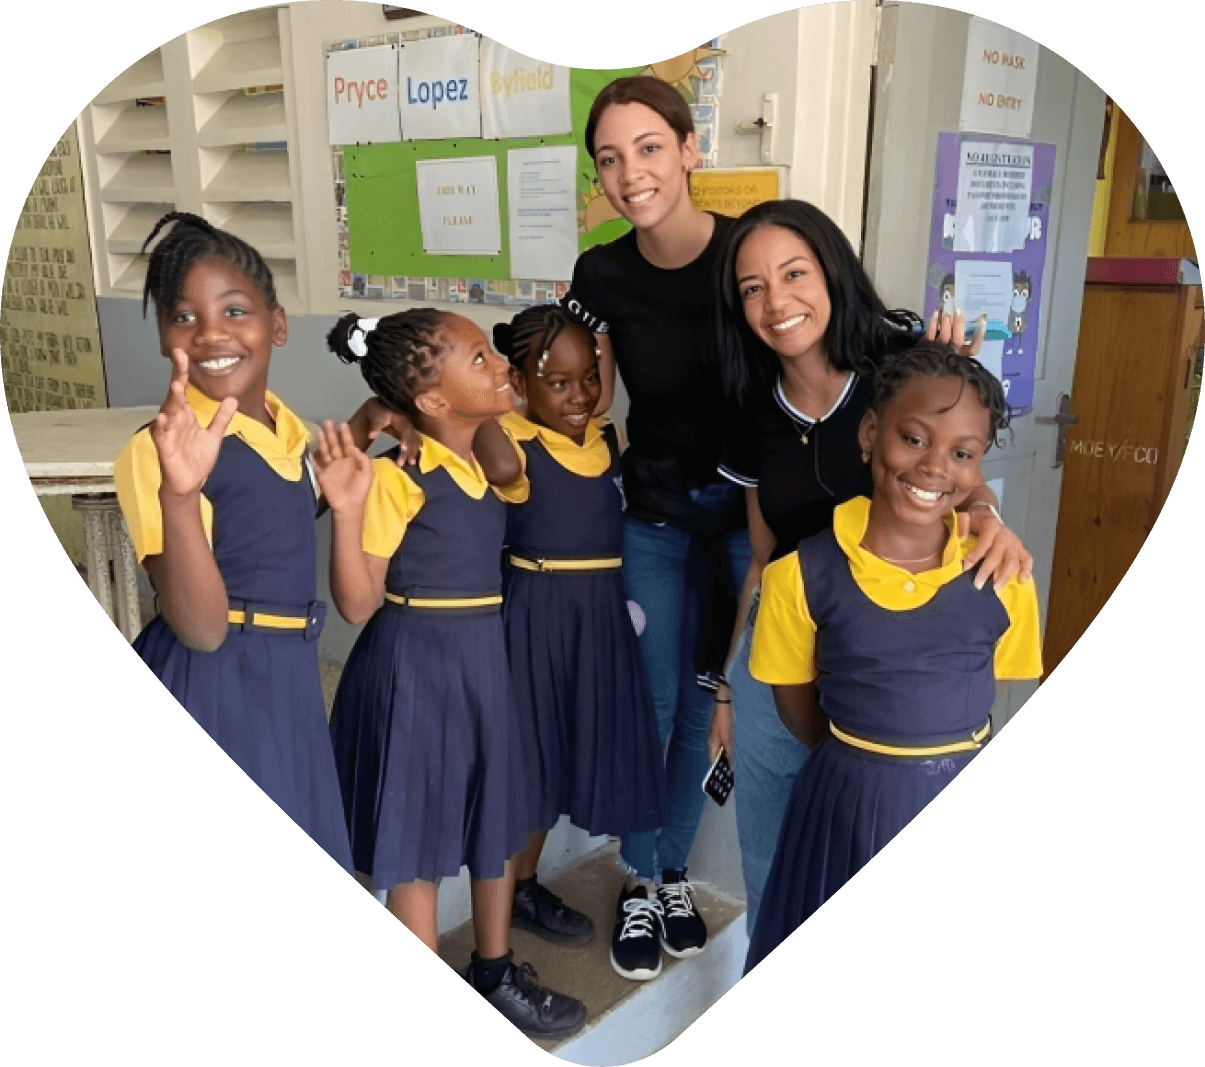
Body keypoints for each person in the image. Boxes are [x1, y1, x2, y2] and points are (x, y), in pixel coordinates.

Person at [707, 198, 1035, 936]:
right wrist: (726, 687)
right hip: (783, 657)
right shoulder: (748, 405)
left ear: (830, 272)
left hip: (890, 667)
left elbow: (952, 465)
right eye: (752, 287)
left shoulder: (892, 368)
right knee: (772, 867)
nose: (775, 301)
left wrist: (985, 514)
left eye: (793, 273)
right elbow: (761, 560)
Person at [314, 309, 587, 1041]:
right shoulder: (399, 477)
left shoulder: (474, 461)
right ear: (431, 401)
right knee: (421, 844)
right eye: (477, 357)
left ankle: (494, 970)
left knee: (491, 821)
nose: (498, 364)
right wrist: (346, 510)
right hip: (416, 667)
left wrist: (452, 395)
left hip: (479, 661)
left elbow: (500, 454)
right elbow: (357, 599)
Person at [741, 341, 1042, 971]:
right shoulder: (802, 574)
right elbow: (797, 707)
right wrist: (862, 759)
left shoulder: (1006, 574)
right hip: (844, 798)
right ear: (872, 433)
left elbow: (997, 686)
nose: (935, 467)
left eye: (962, 454)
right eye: (913, 438)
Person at [559, 73, 751, 979]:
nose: (629, 171)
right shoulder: (601, 270)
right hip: (656, 518)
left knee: (713, 703)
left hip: (748, 523)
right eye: (609, 157)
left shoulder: (751, 252)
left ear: (688, 149)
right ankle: (643, 878)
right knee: (655, 699)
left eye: (646, 147)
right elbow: (578, 389)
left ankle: (672, 866)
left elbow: (830, 344)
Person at [113, 212, 353, 874]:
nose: (210, 332)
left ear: (276, 324)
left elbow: (275, 522)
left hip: (289, 676)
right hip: (217, 681)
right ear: (165, 337)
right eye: (183, 316)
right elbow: (201, 627)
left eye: (234, 310)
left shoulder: (289, 426)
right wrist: (181, 494)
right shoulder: (157, 450)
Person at [492, 304, 670, 979]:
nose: (579, 395)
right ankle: (499, 895)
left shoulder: (607, 437)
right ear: (518, 381)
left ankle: (525, 882)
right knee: (527, 763)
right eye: (557, 382)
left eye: (588, 377)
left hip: (596, 619)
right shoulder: (506, 442)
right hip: (534, 617)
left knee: (563, 753)